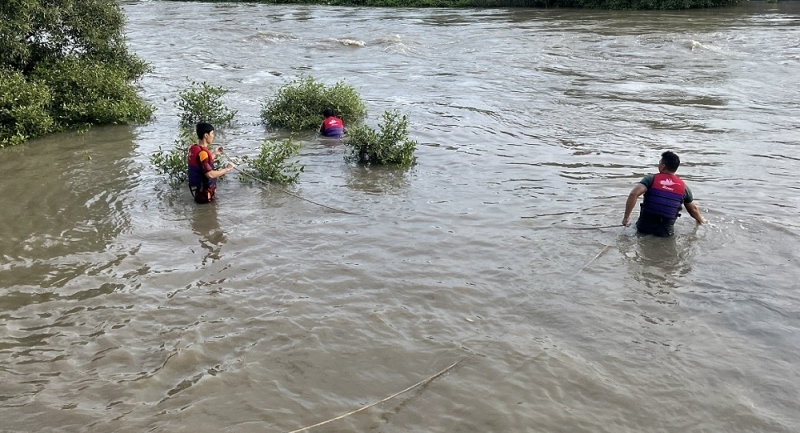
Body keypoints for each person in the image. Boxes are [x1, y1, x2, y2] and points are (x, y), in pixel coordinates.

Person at [622, 151, 706, 237]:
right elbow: (693, 209)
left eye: (659, 163)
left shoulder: (651, 179)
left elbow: (634, 194)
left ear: (663, 166)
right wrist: (701, 221)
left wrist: (626, 218)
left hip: (643, 228)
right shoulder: (684, 188)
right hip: (665, 233)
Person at [188, 122, 235, 204]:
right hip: (205, 194)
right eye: (212, 133)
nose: (213, 136)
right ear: (206, 135)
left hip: (198, 191)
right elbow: (210, 175)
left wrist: (214, 153)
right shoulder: (203, 153)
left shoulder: (193, 148)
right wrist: (227, 169)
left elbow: (201, 164)